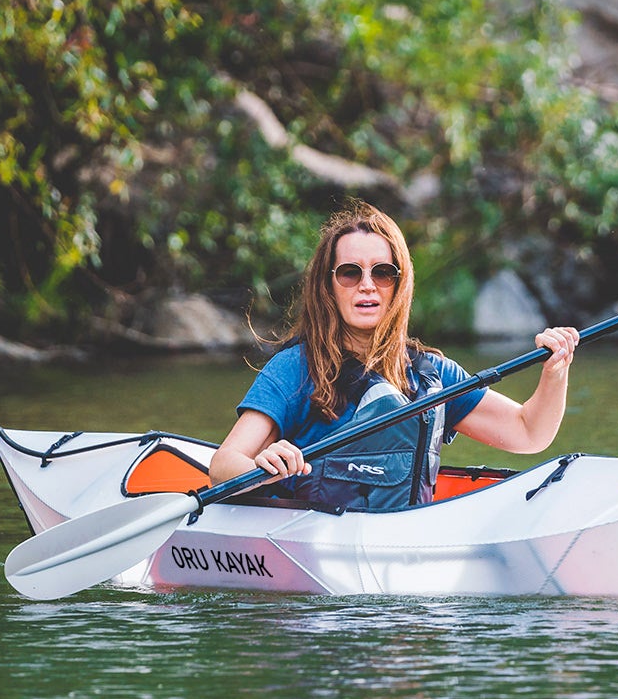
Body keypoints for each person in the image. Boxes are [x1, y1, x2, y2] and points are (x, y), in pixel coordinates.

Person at [209, 201, 581, 512]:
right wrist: (263, 465)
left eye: (383, 272)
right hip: (311, 550)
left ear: (398, 285)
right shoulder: (294, 369)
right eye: (350, 273)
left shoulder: (434, 376)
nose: (367, 285)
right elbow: (224, 465)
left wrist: (555, 372)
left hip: (404, 551)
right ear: (328, 286)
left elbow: (529, 433)